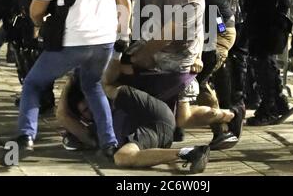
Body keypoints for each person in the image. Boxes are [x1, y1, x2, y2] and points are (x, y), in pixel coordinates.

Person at [10, 0, 131, 154]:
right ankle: (109, 143)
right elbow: (124, 1)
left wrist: (38, 22)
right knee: (93, 85)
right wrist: (124, 33)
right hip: (104, 42)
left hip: (71, 42)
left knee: (33, 83)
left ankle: (26, 135)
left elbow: (37, 8)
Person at [132, 0, 240, 148]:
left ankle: (225, 127)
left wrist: (200, 54)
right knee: (180, 84)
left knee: (197, 79)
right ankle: (176, 129)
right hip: (202, 26)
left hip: (218, 28)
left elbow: (207, 21)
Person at [57, 60, 212, 174]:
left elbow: (108, 75)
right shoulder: (96, 133)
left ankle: (190, 152)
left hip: (152, 112)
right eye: (84, 111)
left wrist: (74, 78)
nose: (90, 110)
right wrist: (70, 82)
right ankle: (190, 152)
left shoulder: (110, 99)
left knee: (109, 87)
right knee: (122, 157)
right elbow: (62, 115)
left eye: (88, 104)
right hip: (151, 130)